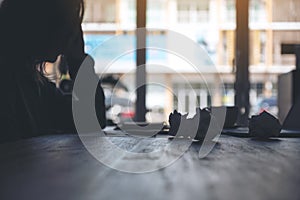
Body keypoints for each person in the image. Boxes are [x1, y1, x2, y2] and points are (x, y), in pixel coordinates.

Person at [0, 0, 106, 143]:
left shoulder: (30, 84)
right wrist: (78, 59)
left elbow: (91, 121)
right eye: (69, 24)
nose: (72, 34)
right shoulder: (20, 84)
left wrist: (78, 60)